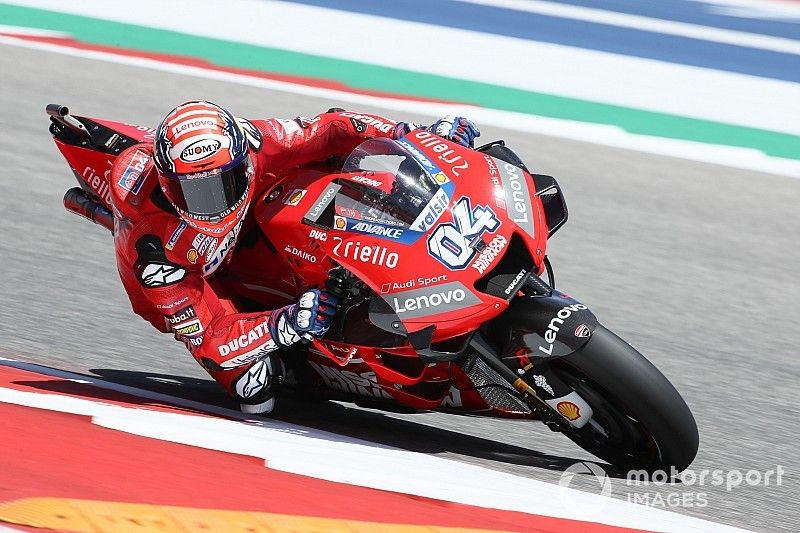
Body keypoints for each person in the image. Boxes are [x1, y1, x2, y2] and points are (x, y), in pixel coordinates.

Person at [109, 101, 480, 414]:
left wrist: (413, 135)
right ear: (169, 186)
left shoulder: (255, 141)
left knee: (342, 170)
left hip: (260, 219)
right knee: (255, 392)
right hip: (201, 280)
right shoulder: (154, 254)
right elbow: (211, 340)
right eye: (198, 193)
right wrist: (283, 324)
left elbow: (333, 127)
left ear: (242, 158)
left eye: (225, 183)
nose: (215, 203)